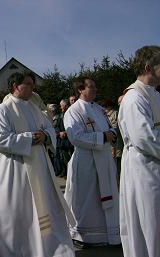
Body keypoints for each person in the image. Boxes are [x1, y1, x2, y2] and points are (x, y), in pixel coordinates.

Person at [0, 71, 75, 257]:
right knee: (23, 212)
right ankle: (24, 249)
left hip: (39, 169)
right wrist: (30, 137)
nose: (32, 87)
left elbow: (49, 129)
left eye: (32, 84)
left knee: (44, 208)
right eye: (27, 84)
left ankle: (48, 248)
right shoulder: (3, 110)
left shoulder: (35, 108)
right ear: (15, 86)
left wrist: (45, 136)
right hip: (17, 170)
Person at [63, 77, 120, 247]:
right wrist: (103, 136)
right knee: (87, 199)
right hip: (86, 161)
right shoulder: (73, 111)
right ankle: (84, 237)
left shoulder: (99, 108)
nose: (95, 89)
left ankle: (109, 234)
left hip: (104, 158)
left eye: (95, 86)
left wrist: (111, 133)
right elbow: (76, 137)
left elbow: (111, 127)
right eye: (91, 87)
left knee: (106, 196)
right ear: (80, 89)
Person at [118, 45, 160, 257]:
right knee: (149, 220)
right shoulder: (134, 98)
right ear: (148, 67)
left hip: (154, 165)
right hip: (144, 168)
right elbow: (145, 137)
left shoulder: (154, 94)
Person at [53, 99, 72, 178]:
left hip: (71, 141)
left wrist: (68, 132)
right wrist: (59, 133)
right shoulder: (59, 117)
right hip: (62, 142)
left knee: (71, 158)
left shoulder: (73, 115)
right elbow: (55, 127)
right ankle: (65, 172)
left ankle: (70, 173)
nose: (61, 108)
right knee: (63, 158)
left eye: (62, 106)